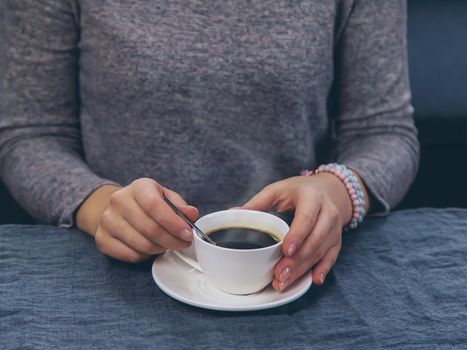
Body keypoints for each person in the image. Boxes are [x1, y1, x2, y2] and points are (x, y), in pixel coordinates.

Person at [0, 0, 419, 292]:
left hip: (293, 269)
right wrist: (99, 207)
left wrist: (338, 191)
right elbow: (30, 135)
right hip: (116, 274)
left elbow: (385, 132)